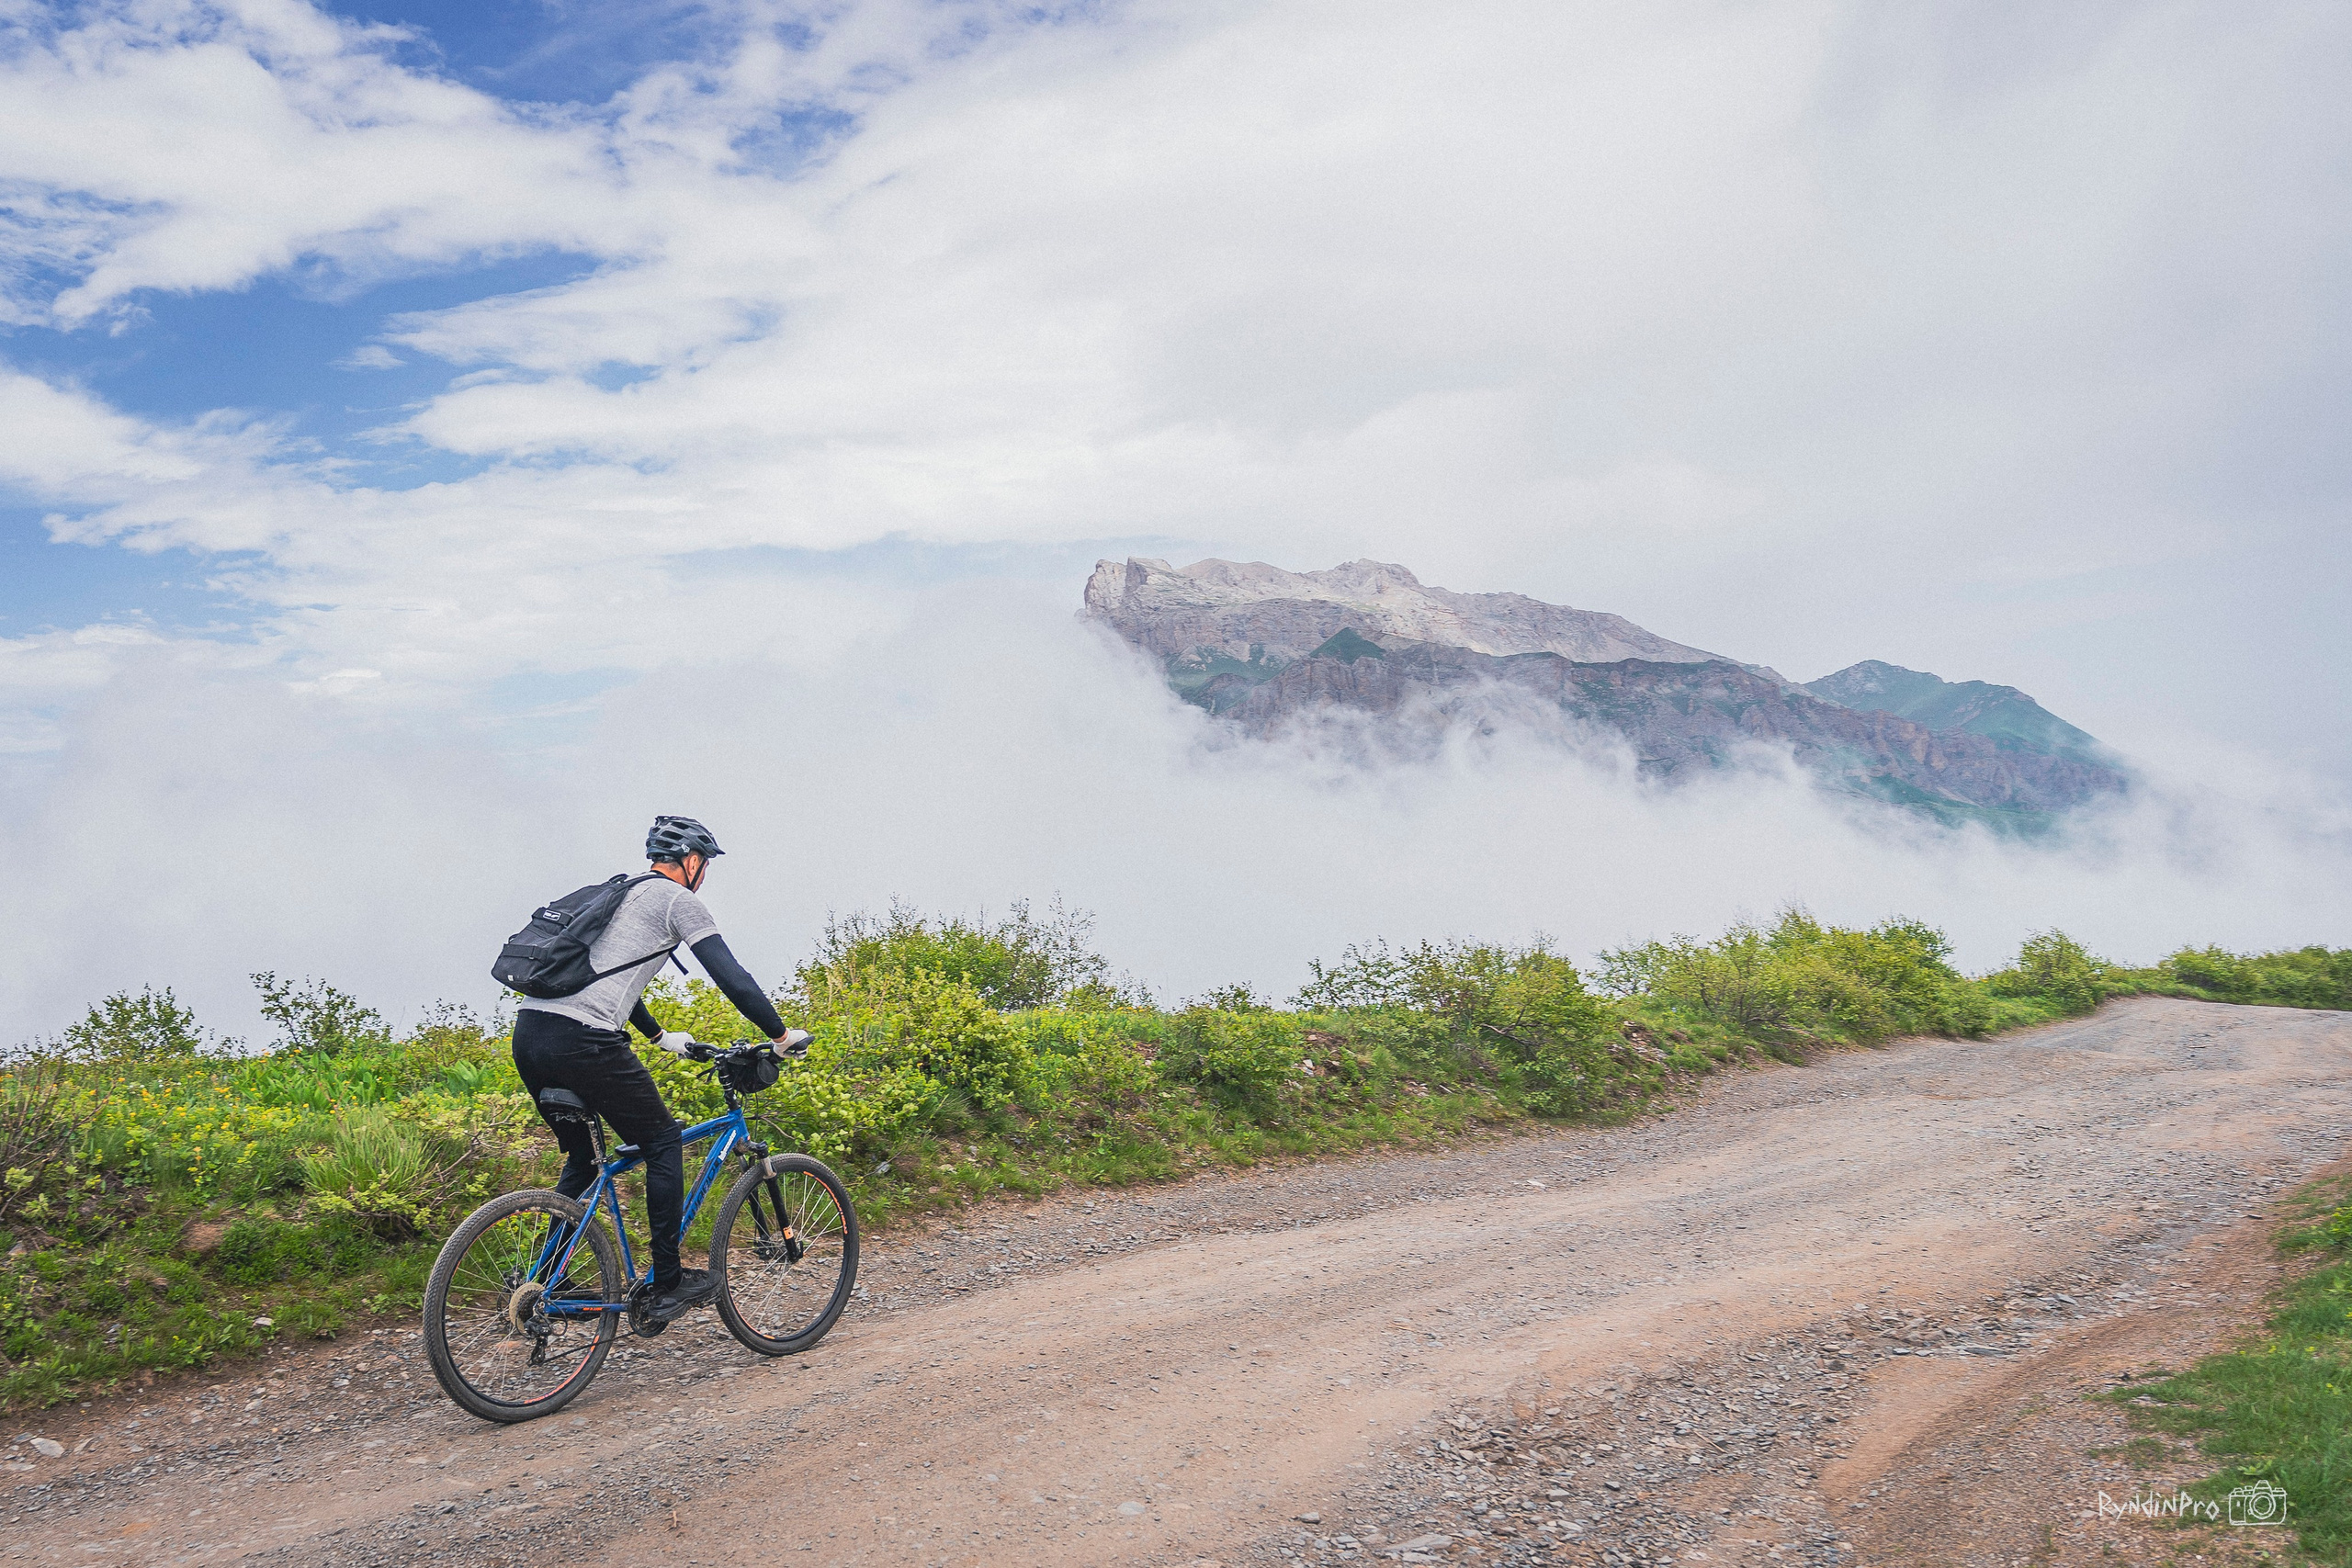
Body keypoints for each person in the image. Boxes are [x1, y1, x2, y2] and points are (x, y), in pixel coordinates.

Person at [511, 815, 797, 1324]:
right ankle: (666, 1281)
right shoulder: (677, 901)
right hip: (584, 1041)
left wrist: (661, 1037)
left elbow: (598, 975)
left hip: (532, 1035)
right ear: (691, 860)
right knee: (663, 1141)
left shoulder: (620, 893)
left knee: (583, 1161)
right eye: (703, 862)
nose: (703, 872)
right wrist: (780, 1034)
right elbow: (731, 976)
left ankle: (542, 1280)